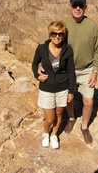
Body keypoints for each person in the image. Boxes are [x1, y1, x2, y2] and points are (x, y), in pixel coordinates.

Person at [39, 0, 98, 144]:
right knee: (69, 98)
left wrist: (95, 71)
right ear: (69, 6)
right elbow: (53, 43)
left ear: (85, 7)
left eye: (81, 6)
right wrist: (42, 63)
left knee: (88, 101)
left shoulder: (92, 26)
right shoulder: (64, 25)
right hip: (68, 70)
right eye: (75, 5)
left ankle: (85, 127)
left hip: (87, 69)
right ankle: (72, 118)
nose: (78, 8)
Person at [32, 20, 75, 149]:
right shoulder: (41, 49)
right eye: (54, 33)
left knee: (59, 114)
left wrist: (71, 91)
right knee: (50, 119)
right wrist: (37, 75)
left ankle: (54, 135)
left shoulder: (67, 50)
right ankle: (46, 133)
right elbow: (34, 64)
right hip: (47, 88)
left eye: (60, 34)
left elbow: (71, 71)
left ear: (64, 35)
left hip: (62, 87)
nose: (57, 36)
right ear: (49, 34)